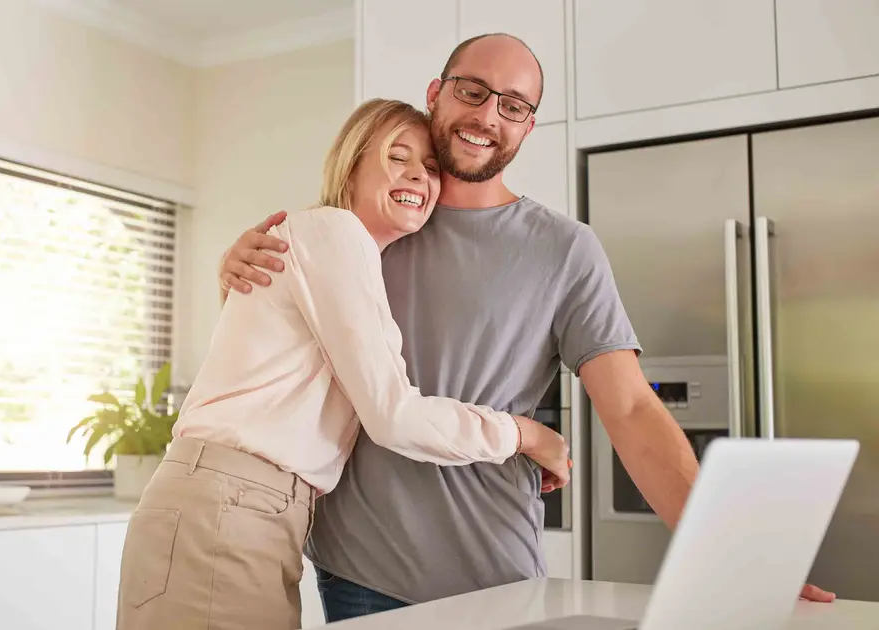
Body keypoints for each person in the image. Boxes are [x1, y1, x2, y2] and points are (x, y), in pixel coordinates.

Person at [217, 32, 837, 622]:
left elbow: (629, 407)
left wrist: (731, 553)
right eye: (472, 91)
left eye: (512, 106)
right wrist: (234, 273)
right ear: (435, 94)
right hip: (360, 569)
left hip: (495, 569)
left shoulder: (564, 249)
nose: (487, 115)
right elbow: (276, 340)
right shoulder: (368, 223)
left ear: (527, 126)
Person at [114, 98, 571, 630]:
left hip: (240, 510)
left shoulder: (332, 249)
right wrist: (525, 435)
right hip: (228, 507)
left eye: (430, 167)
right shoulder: (335, 232)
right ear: (350, 166)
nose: (418, 176)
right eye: (397, 157)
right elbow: (394, 416)